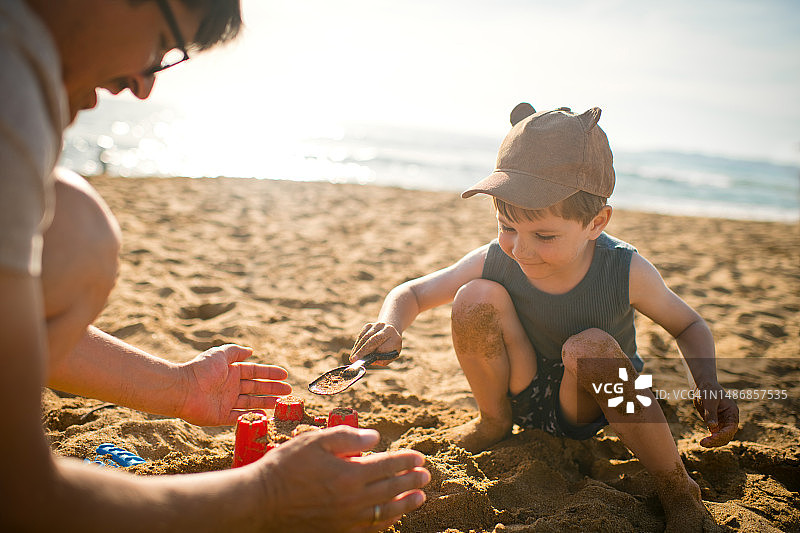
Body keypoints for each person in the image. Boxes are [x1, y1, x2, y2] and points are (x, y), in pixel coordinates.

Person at [0, 0, 429, 531]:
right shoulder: (13, 79)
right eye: (163, 47)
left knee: (66, 228)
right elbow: (24, 494)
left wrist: (179, 387)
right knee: (79, 232)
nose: (143, 85)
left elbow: (15, 325)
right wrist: (268, 493)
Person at [350, 103, 739, 531]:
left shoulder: (624, 269)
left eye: (545, 235)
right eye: (507, 226)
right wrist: (391, 324)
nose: (521, 249)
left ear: (596, 223)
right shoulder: (497, 258)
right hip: (522, 387)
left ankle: (677, 488)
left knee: (588, 346)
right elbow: (414, 292)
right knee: (474, 295)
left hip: (590, 400)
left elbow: (688, 324)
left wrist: (707, 382)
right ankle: (493, 421)